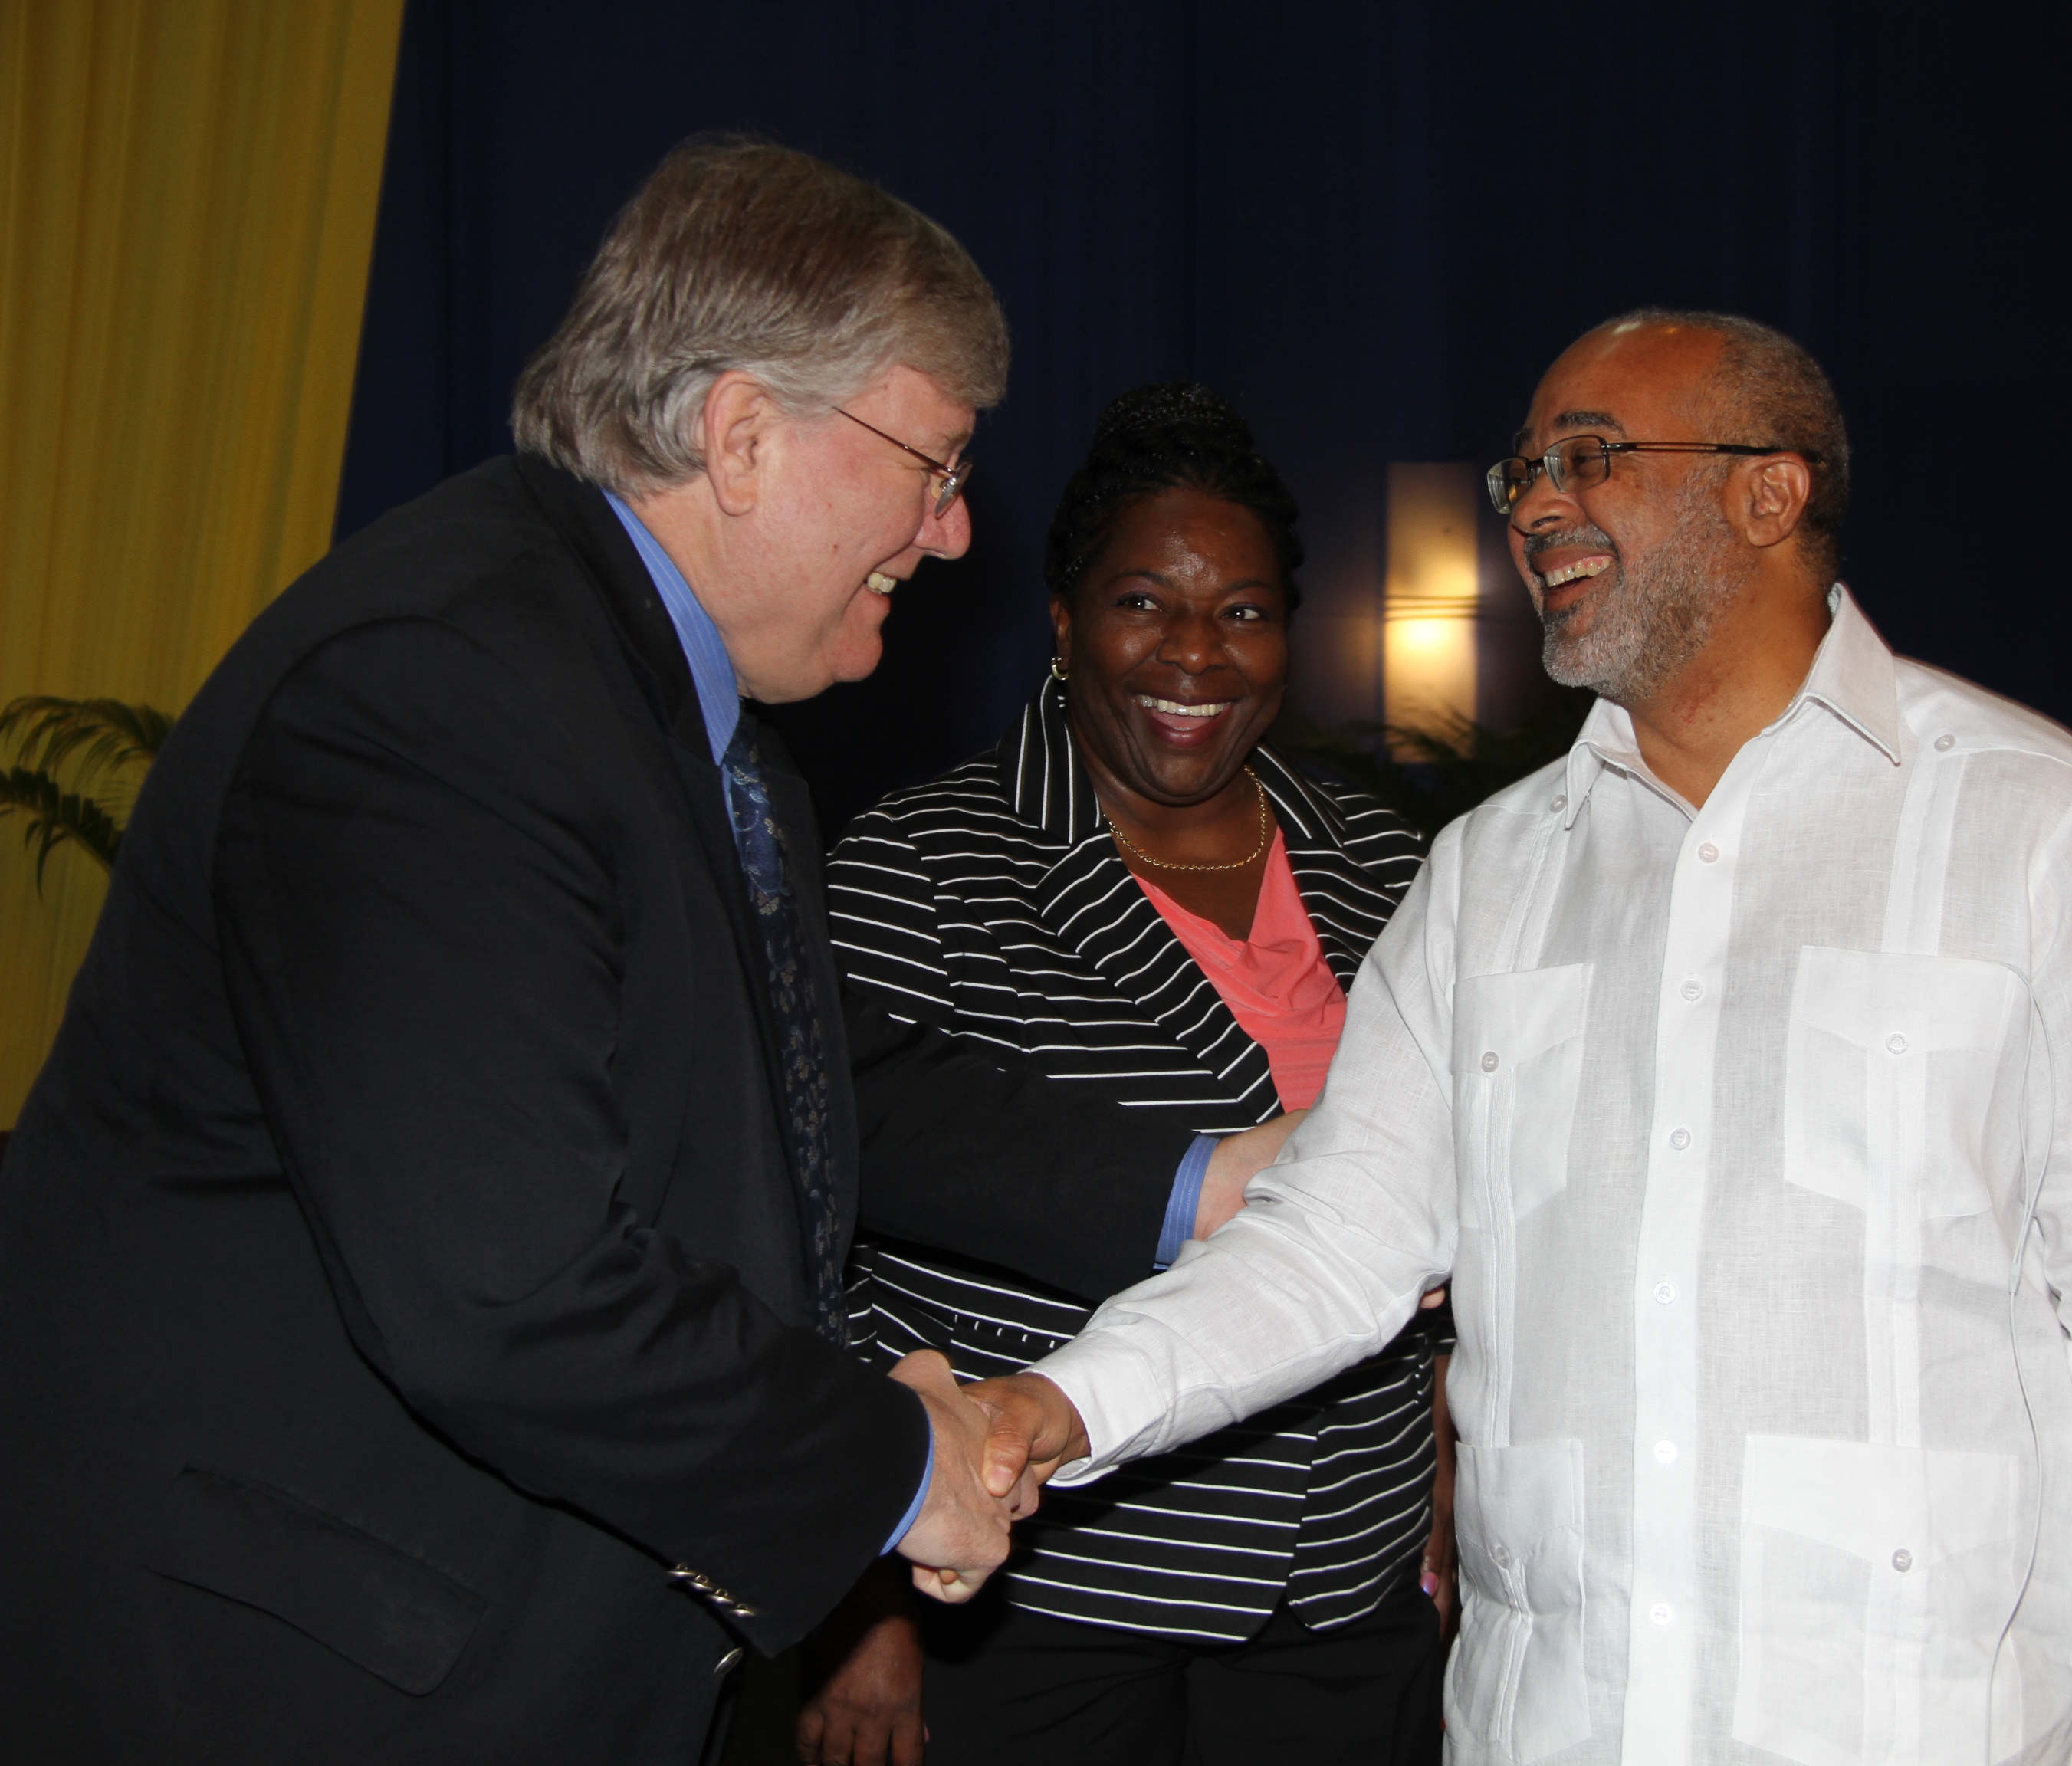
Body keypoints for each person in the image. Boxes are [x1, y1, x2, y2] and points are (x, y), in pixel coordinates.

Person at [0, 140, 1266, 1764]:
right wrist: (898, 1466)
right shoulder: (441, 691)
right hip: (300, 1671)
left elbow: (808, 1082)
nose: (952, 535)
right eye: (934, 467)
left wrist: (1206, 1182)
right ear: (744, 436)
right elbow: (511, 1288)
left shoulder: (658, 704)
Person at [974, 313, 2072, 1766]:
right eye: (1522, 472)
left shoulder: (2041, 830)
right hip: (1557, 1723)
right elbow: (1330, 1240)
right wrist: (1055, 1405)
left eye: (1588, 458)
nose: (1534, 506)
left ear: (1769, 493)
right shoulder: (1488, 874)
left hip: (1915, 1721)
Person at [796, 384, 1451, 1766]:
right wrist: (869, 1607)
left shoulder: (1392, 868)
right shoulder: (920, 865)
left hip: (1344, 1586)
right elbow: (827, 1256)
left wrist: (1448, 1479)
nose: (1196, 652)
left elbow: (1441, 1204)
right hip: (1038, 1593)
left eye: (1244, 611)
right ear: (1061, 621)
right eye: (1144, 602)